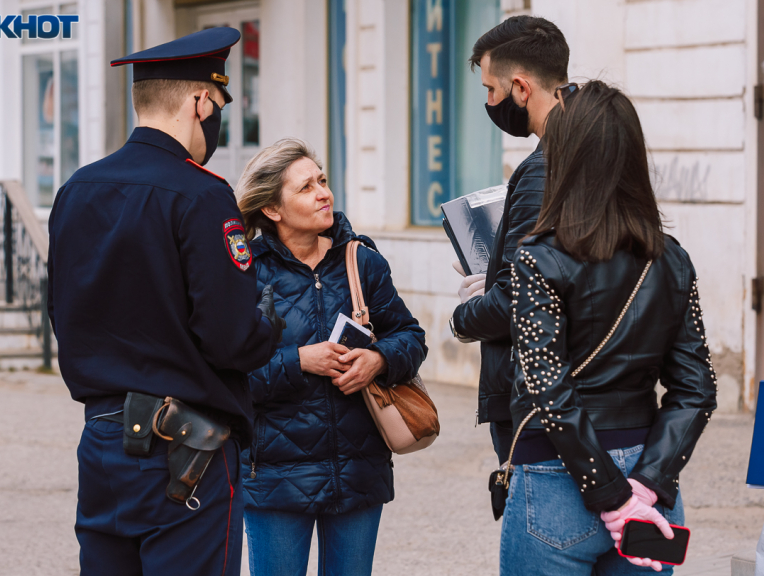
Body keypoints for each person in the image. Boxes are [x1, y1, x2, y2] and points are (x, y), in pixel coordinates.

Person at [48, 27, 284, 575]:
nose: (218, 116)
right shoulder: (202, 194)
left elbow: (63, 314)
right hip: (186, 451)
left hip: (103, 439)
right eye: (220, 102)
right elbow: (231, 340)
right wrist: (265, 325)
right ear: (200, 101)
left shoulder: (77, 189)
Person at [499, 80, 717, 574]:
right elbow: (697, 390)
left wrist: (613, 495)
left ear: (568, 156)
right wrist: (643, 486)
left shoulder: (539, 257)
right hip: (649, 480)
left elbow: (546, 390)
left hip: (559, 478)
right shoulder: (672, 258)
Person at [235, 138, 427, 576]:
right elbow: (228, 377)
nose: (324, 192)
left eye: (322, 180)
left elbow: (410, 337)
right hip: (275, 480)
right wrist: (299, 361)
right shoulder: (245, 273)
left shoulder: (361, 261)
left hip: (358, 473)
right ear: (272, 210)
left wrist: (378, 360)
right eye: (306, 187)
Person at [449, 16, 572, 463]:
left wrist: (462, 319)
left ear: (521, 88)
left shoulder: (542, 169)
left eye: (490, 89)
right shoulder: (589, 146)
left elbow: (516, 303)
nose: (489, 101)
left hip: (536, 396)